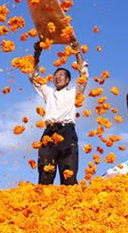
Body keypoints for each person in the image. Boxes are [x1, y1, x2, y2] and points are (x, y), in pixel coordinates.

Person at [30, 37, 88, 185]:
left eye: (61, 75)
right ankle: (43, 197)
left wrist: (77, 51)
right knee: (45, 171)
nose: (57, 77)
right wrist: (37, 53)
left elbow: (84, 75)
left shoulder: (74, 92)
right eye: (55, 75)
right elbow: (34, 76)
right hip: (49, 132)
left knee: (69, 172)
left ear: (68, 80)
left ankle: (69, 198)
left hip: (67, 132)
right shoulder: (49, 92)